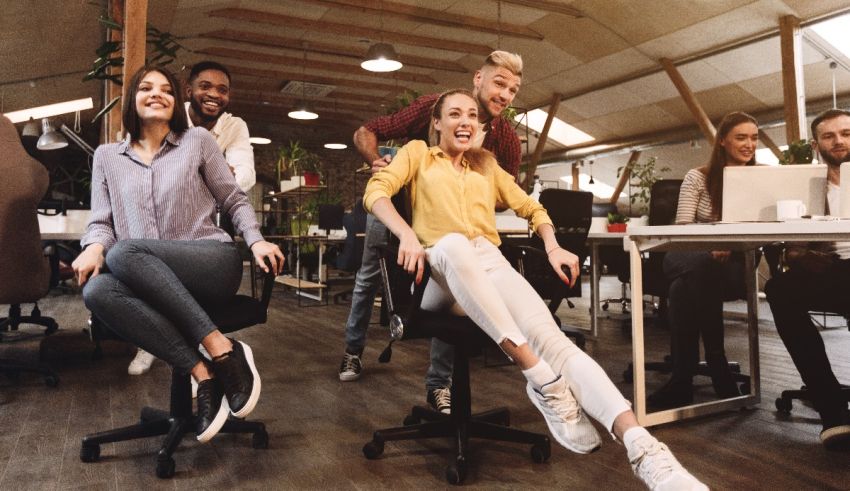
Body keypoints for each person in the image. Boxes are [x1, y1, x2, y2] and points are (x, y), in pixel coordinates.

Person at [363, 88, 707, 491]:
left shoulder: (487, 165)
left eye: (471, 115)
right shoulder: (417, 154)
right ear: (436, 122)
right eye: (454, 114)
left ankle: (646, 451)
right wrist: (405, 234)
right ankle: (540, 378)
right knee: (455, 244)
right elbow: (376, 193)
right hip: (437, 273)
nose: (465, 121)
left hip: (487, 261)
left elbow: (532, 208)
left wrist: (554, 245)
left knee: (556, 342)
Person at [72, 66, 284, 443]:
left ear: (176, 101)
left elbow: (233, 198)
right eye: (147, 88)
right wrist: (92, 247)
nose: (157, 94)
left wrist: (256, 240)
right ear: (132, 99)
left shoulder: (198, 141)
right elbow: (102, 220)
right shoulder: (107, 157)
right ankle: (204, 374)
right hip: (148, 277)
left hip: (209, 262)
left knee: (122, 254)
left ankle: (222, 349)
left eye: (166, 89)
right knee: (96, 291)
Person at [341, 51, 523, 416]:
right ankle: (352, 352)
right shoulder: (433, 107)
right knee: (369, 279)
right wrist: (375, 161)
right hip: (395, 210)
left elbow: (505, 197)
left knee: (452, 288)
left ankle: (438, 385)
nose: (504, 94)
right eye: (498, 83)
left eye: (513, 90)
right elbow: (366, 131)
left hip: (445, 229)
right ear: (478, 79)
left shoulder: (505, 140)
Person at [127, 60, 257, 376]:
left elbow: (245, 177)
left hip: (206, 222)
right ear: (189, 91)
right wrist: (212, 174)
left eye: (222, 90)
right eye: (205, 87)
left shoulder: (234, 126)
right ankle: (154, 343)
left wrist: (200, 179)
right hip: (162, 216)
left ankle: (200, 349)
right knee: (148, 264)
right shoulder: (168, 115)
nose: (214, 95)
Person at [648, 112, 758, 407]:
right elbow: (683, 228)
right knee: (700, 267)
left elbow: (765, 230)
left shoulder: (760, 179)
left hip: (734, 264)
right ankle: (716, 365)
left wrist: (730, 247)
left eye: (754, 137)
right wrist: (712, 244)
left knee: (684, 287)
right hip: (687, 254)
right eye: (741, 137)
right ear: (722, 141)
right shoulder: (698, 177)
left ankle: (682, 380)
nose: (749, 144)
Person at [765, 108, 850, 450]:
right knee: (779, 289)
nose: (839, 140)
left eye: (845, 132)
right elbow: (792, 249)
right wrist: (801, 255)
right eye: (829, 136)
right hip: (830, 269)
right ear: (817, 145)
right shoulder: (802, 185)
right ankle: (832, 410)